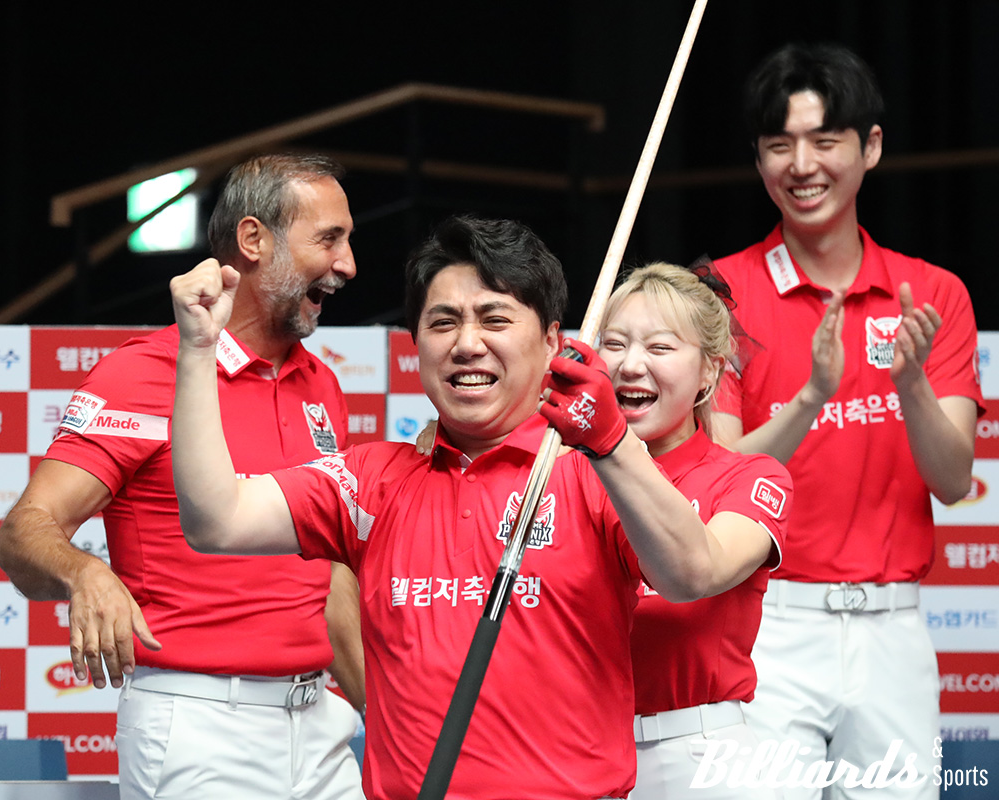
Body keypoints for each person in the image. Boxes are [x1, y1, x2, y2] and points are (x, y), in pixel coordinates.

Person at [168, 214, 783, 799]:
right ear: (415, 348)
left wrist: (612, 443)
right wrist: (198, 351)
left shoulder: (596, 476)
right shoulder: (370, 479)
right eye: (442, 323)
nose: (467, 344)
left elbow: (690, 574)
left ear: (550, 343)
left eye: (494, 319)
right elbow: (215, 520)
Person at [0, 153, 367, 800]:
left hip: (320, 726)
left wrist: (386, 718)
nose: (348, 264)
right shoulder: (144, 373)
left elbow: (329, 580)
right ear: (254, 241)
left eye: (349, 240)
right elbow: (23, 531)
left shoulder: (322, 382)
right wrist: (86, 572)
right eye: (329, 239)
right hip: (199, 727)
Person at [711, 43, 984, 798]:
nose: (802, 165)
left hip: (893, 629)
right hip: (766, 620)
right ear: (759, 159)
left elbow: (955, 478)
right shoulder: (719, 294)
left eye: (824, 140)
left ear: (870, 147)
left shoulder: (933, 293)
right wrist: (812, 396)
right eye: (779, 145)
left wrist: (911, 383)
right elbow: (719, 473)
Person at [597, 263, 789, 800]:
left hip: (700, 756)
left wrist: (610, 449)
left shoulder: (749, 477)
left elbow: (701, 571)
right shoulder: (560, 473)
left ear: (710, 371)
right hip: (577, 748)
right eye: (614, 344)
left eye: (659, 349)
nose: (631, 365)